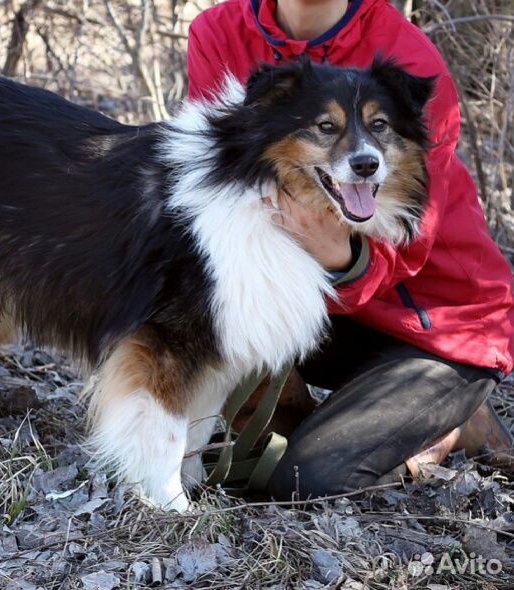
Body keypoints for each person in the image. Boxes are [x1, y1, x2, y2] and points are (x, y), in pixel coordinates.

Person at [187, 0, 514, 500]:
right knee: (214, 322)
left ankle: (449, 422)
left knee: (309, 482)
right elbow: (214, 173)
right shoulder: (219, 32)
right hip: (317, 302)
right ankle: (320, 427)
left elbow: (414, 230)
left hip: (436, 325)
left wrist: (340, 256)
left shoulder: (408, 55)